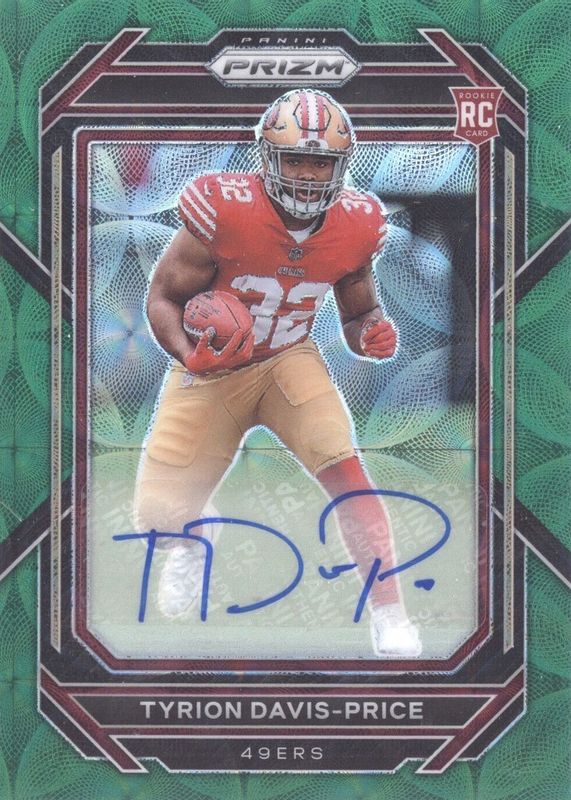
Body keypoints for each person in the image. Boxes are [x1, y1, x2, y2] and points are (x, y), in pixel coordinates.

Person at [134, 88, 421, 658]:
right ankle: (193, 537)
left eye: (321, 163)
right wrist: (189, 355)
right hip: (213, 368)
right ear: (268, 158)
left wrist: (370, 332)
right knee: (156, 518)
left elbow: (359, 310)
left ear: (342, 166)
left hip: (289, 357)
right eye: (296, 160)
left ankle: (390, 612)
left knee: (345, 468)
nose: (309, 175)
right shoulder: (225, 208)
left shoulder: (358, 223)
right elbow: (163, 297)